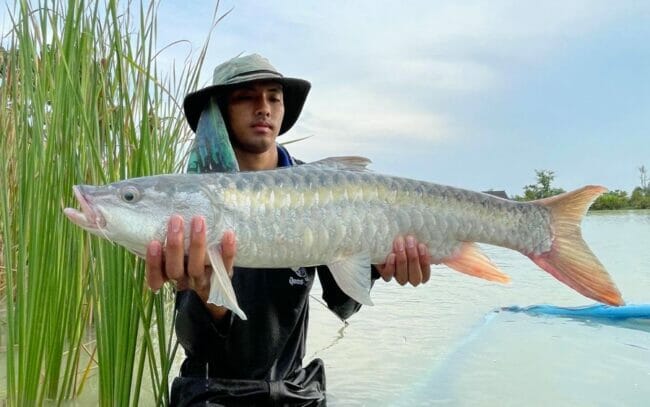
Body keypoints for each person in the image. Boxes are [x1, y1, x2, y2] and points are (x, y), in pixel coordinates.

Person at [145, 54, 431, 406]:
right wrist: (206, 292)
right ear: (219, 110)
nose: (263, 107)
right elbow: (197, 344)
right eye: (246, 96)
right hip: (212, 393)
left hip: (295, 391)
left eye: (273, 97)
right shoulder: (195, 193)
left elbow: (343, 304)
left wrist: (376, 266)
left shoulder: (323, 190)